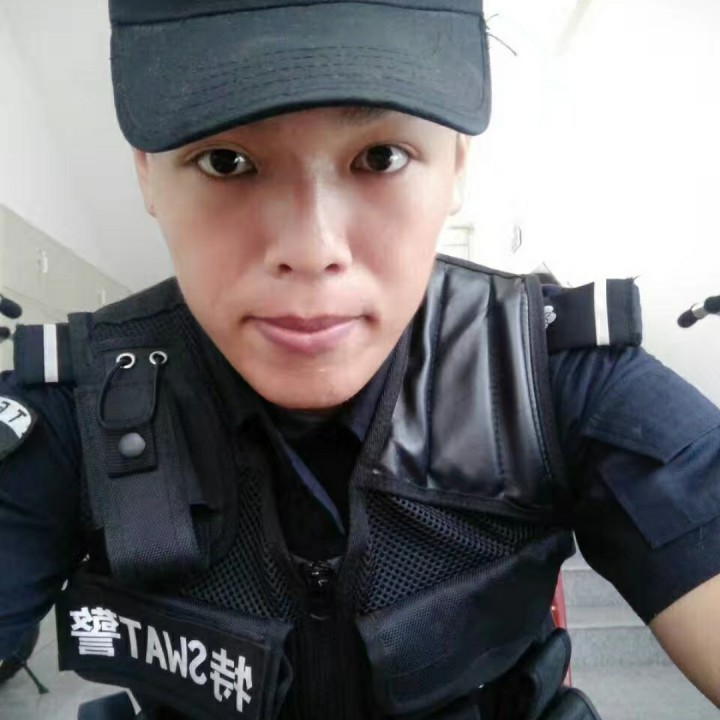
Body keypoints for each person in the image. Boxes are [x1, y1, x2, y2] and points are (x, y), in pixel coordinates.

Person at [1, 1, 720, 719]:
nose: (313, 250)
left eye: (381, 158)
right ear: (147, 175)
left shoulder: (550, 378)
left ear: (456, 165)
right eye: (227, 162)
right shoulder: (77, 406)